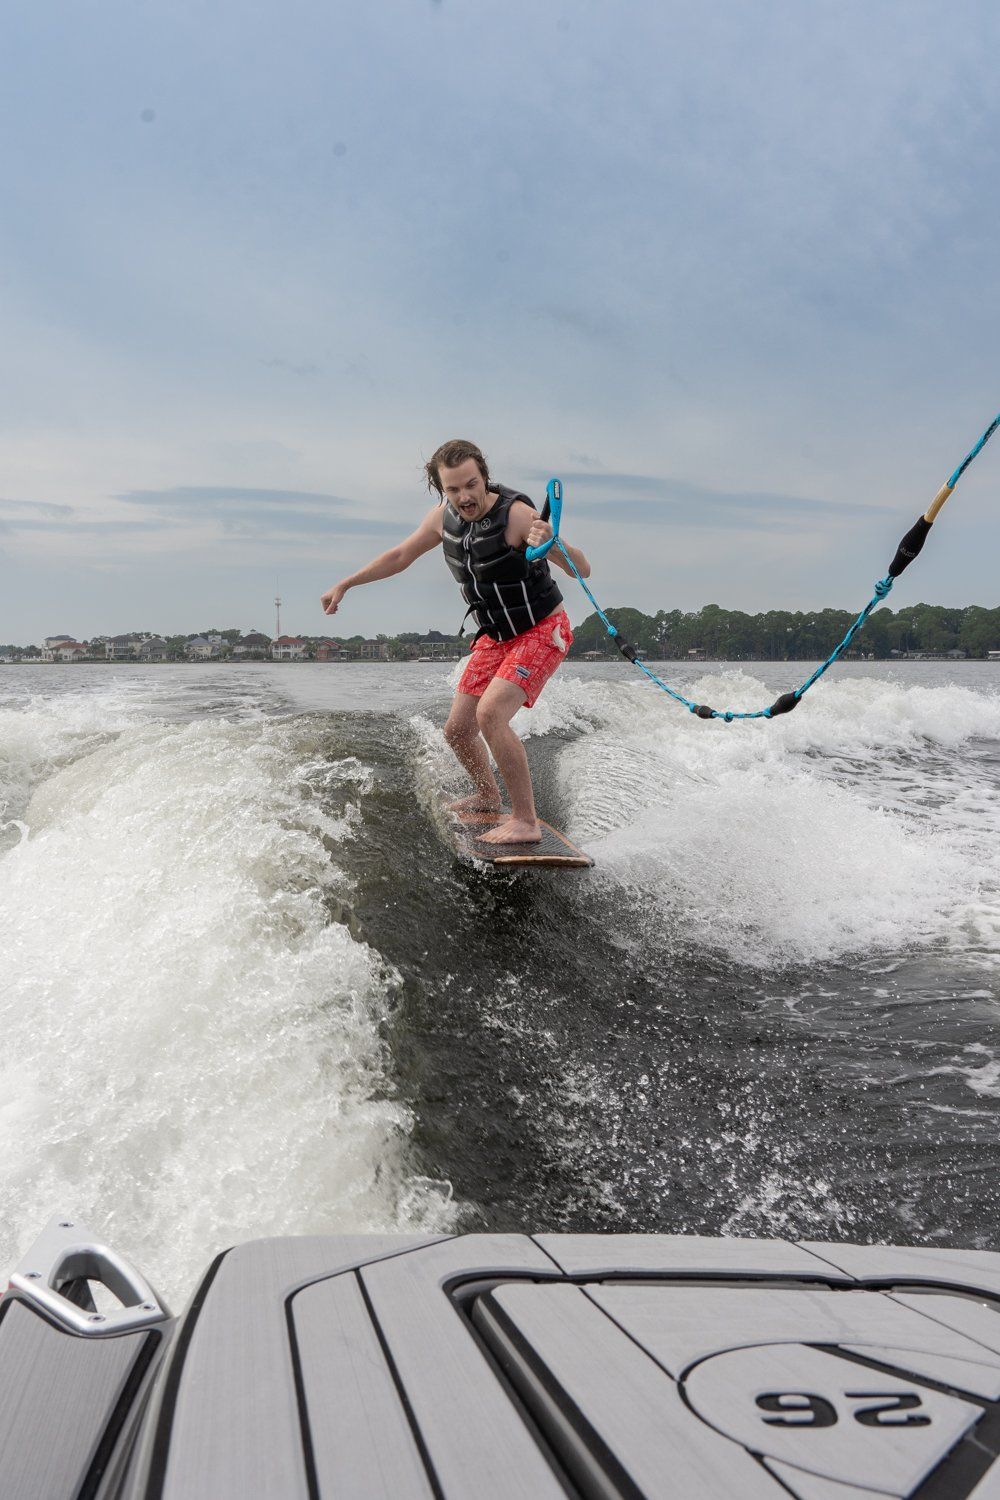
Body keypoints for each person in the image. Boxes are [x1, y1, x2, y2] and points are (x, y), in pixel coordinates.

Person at [320, 439, 591, 844]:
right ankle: (486, 795)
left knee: (491, 714)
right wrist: (346, 583)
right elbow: (399, 556)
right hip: (496, 637)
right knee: (458, 730)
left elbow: (582, 569)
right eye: (453, 489)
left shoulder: (517, 515)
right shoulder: (441, 518)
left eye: (471, 484)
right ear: (441, 489)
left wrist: (554, 542)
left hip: (541, 630)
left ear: (484, 475)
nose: (465, 496)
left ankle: (525, 820)